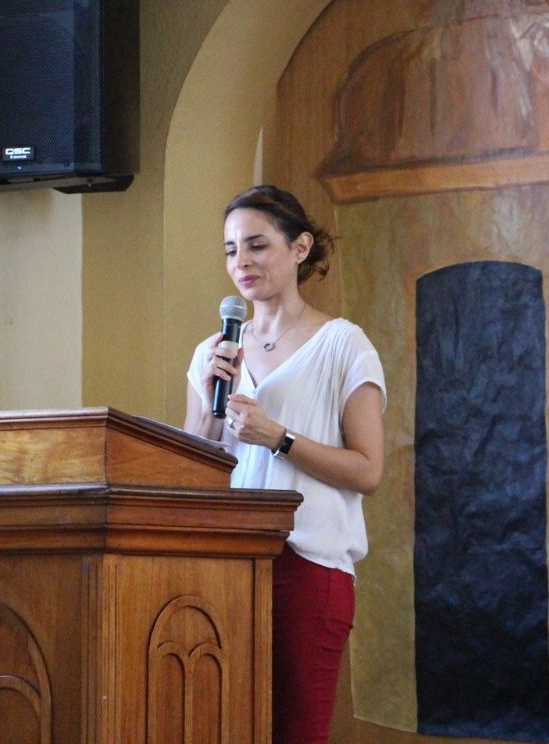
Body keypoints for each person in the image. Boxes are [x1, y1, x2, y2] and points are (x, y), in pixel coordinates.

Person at [184, 185, 386, 744]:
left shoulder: (343, 345)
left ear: (300, 248)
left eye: (257, 245)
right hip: (223, 565)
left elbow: (368, 470)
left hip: (308, 566)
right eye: (231, 250)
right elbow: (190, 468)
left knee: (296, 732)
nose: (241, 263)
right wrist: (212, 406)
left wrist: (279, 438)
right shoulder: (212, 353)